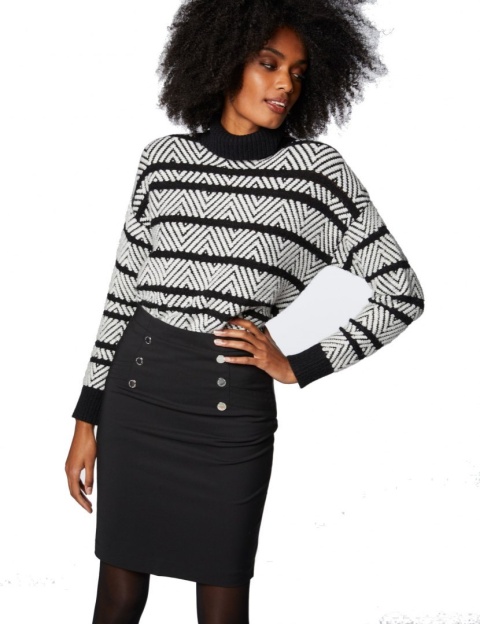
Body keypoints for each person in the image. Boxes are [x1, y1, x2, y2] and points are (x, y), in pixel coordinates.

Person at [65, 1, 425, 622]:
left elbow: (402, 292)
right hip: (137, 396)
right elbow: (123, 295)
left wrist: (298, 364)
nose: (286, 84)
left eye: (298, 72)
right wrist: (85, 420)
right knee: (118, 598)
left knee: (223, 605)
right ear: (224, 59)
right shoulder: (162, 160)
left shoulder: (317, 176)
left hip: (229, 416)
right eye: (269, 64)